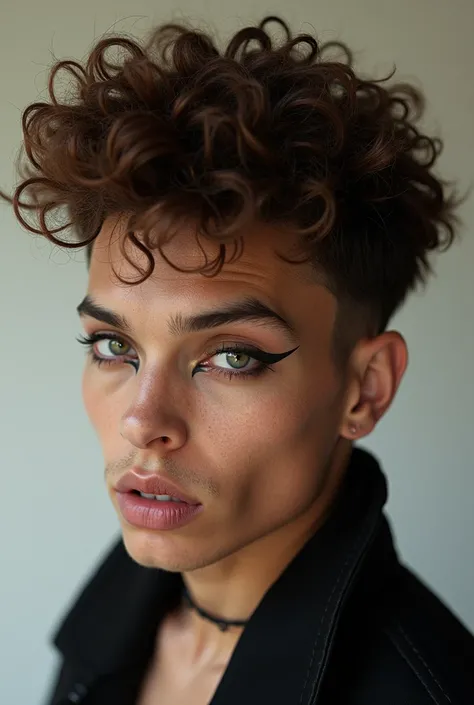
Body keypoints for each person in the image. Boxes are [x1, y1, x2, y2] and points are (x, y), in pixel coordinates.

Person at [4, 14, 473, 705]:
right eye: (114, 346)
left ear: (365, 389)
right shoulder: (106, 632)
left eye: (231, 356)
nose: (144, 421)